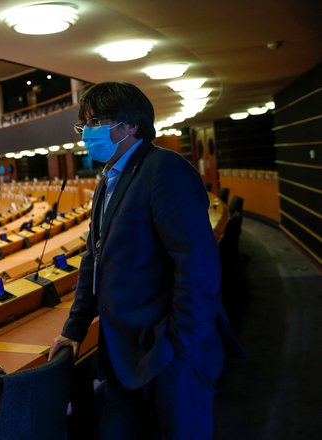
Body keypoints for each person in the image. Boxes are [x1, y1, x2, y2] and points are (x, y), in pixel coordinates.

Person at [48, 82, 242, 439]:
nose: (88, 133)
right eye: (84, 125)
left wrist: (181, 345)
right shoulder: (108, 179)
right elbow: (96, 257)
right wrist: (73, 329)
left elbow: (197, 263)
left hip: (165, 352)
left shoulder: (165, 169)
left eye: (96, 122)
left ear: (131, 125)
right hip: (123, 353)